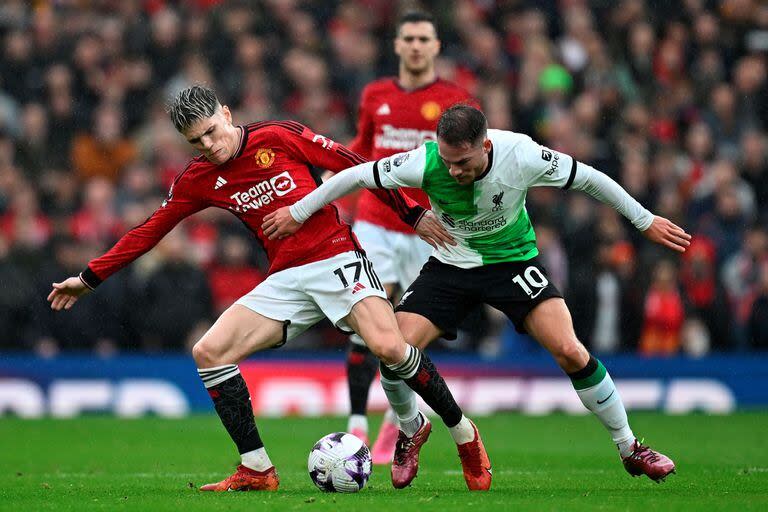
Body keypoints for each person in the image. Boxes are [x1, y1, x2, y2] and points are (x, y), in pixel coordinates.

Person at [47, 87, 491, 492]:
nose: (207, 146)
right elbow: (149, 230)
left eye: (210, 132)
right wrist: (89, 278)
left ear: (226, 113)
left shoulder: (278, 136)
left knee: (390, 348)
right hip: (286, 277)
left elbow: (357, 168)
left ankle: (462, 435)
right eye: (195, 142)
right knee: (209, 352)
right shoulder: (198, 177)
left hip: (335, 255)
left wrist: (411, 215)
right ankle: (256, 467)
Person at [264, 104, 691, 483]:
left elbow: (590, 179)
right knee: (391, 349)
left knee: (570, 351)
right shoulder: (425, 162)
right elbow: (356, 174)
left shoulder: (521, 155)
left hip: (513, 263)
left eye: (462, 161)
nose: (453, 171)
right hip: (450, 266)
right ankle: (411, 429)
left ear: (485, 145)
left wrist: (643, 220)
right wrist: (300, 212)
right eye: (447, 161)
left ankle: (630, 447)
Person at [343, 10, 477, 462]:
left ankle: (397, 420)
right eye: (409, 38)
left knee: (408, 330)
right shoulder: (375, 95)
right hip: (375, 223)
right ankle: (356, 425)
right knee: (365, 320)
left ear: (436, 46)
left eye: (425, 38)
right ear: (397, 45)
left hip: (430, 229)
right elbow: (360, 151)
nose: (417, 45)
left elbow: (471, 162)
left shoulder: (456, 98)